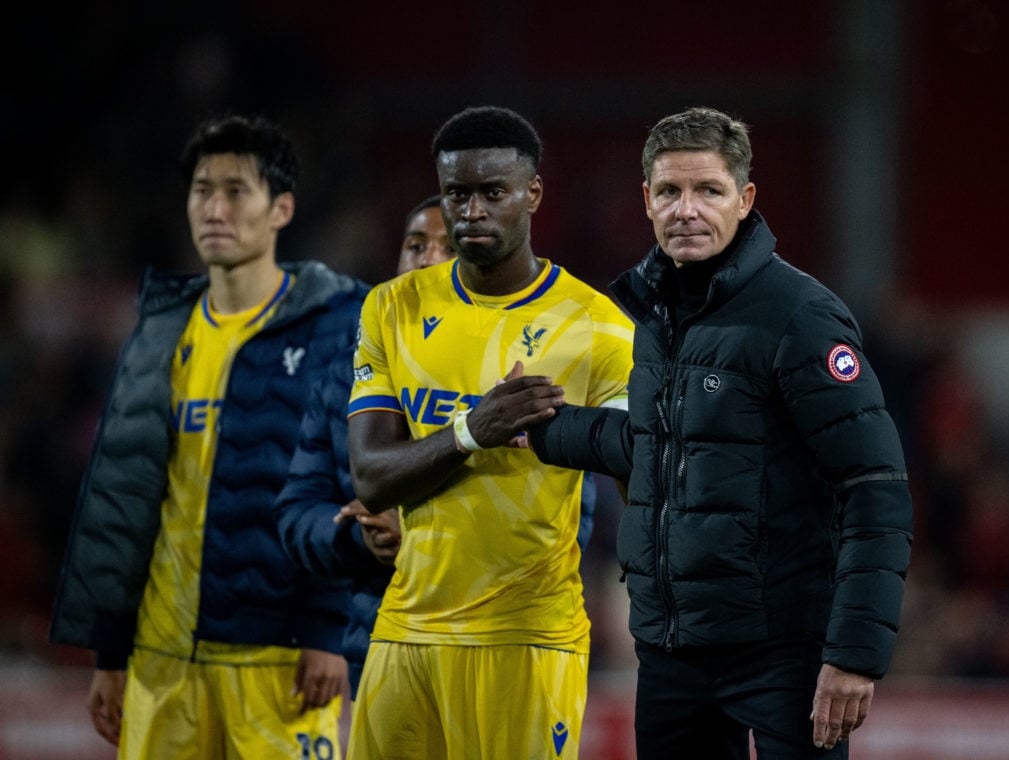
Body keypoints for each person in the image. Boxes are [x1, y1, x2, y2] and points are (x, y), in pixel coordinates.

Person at [524, 106, 914, 758]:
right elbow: (651, 446)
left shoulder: (802, 316)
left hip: (784, 652)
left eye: (709, 190)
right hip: (674, 654)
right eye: (671, 191)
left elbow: (874, 483)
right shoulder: (650, 314)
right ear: (647, 200)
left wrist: (854, 654)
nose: (687, 209)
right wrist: (540, 428)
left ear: (745, 199)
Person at [48, 114, 369, 759]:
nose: (214, 208)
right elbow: (124, 495)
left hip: (278, 658)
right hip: (161, 655)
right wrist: (111, 650)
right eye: (201, 189)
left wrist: (327, 630)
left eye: (235, 190)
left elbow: (350, 479)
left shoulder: (336, 325)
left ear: (281, 209)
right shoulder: (161, 329)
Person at [344, 105, 634, 760]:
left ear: (532, 194)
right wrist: (472, 431)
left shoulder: (599, 329)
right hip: (403, 634)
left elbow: (641, 475)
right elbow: (371, 473)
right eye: (456, 194)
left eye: (491, 193)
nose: (470, 211)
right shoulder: (392, 307)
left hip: (526, 638)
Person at [274, 194, 454, 699]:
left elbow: (568, 524)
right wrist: (359, 539)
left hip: (489, 646)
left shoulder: (513, 369)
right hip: (375, 652)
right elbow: (296, 510)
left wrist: (419, 534)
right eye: (415, 244)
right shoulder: (344, 376)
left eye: (449, 246)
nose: (428, 258)